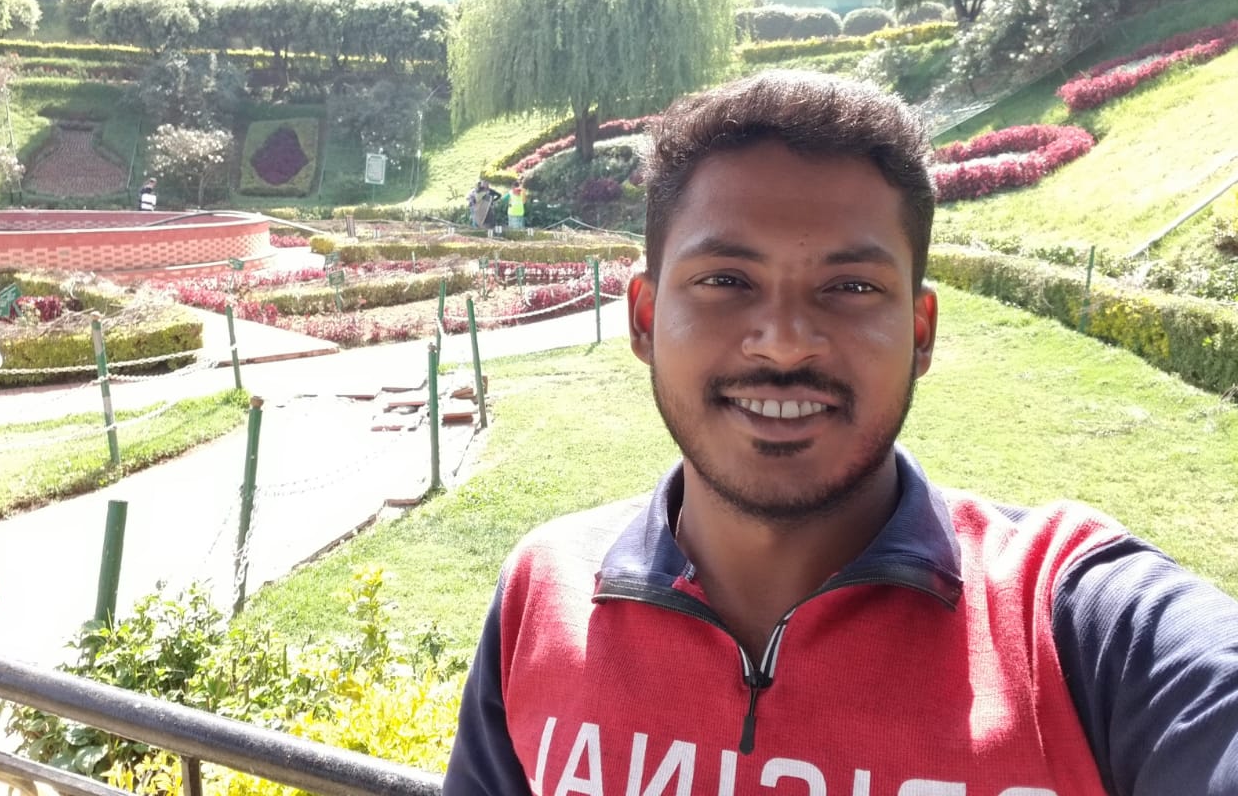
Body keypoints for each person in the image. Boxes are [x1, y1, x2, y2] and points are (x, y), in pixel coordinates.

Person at [444, 71, 1238, 795]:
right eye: (726, 280)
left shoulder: (1081, 629)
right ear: (646, 319)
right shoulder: (543, 593)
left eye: (851, 287)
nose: (786, 343)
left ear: (920, 332)